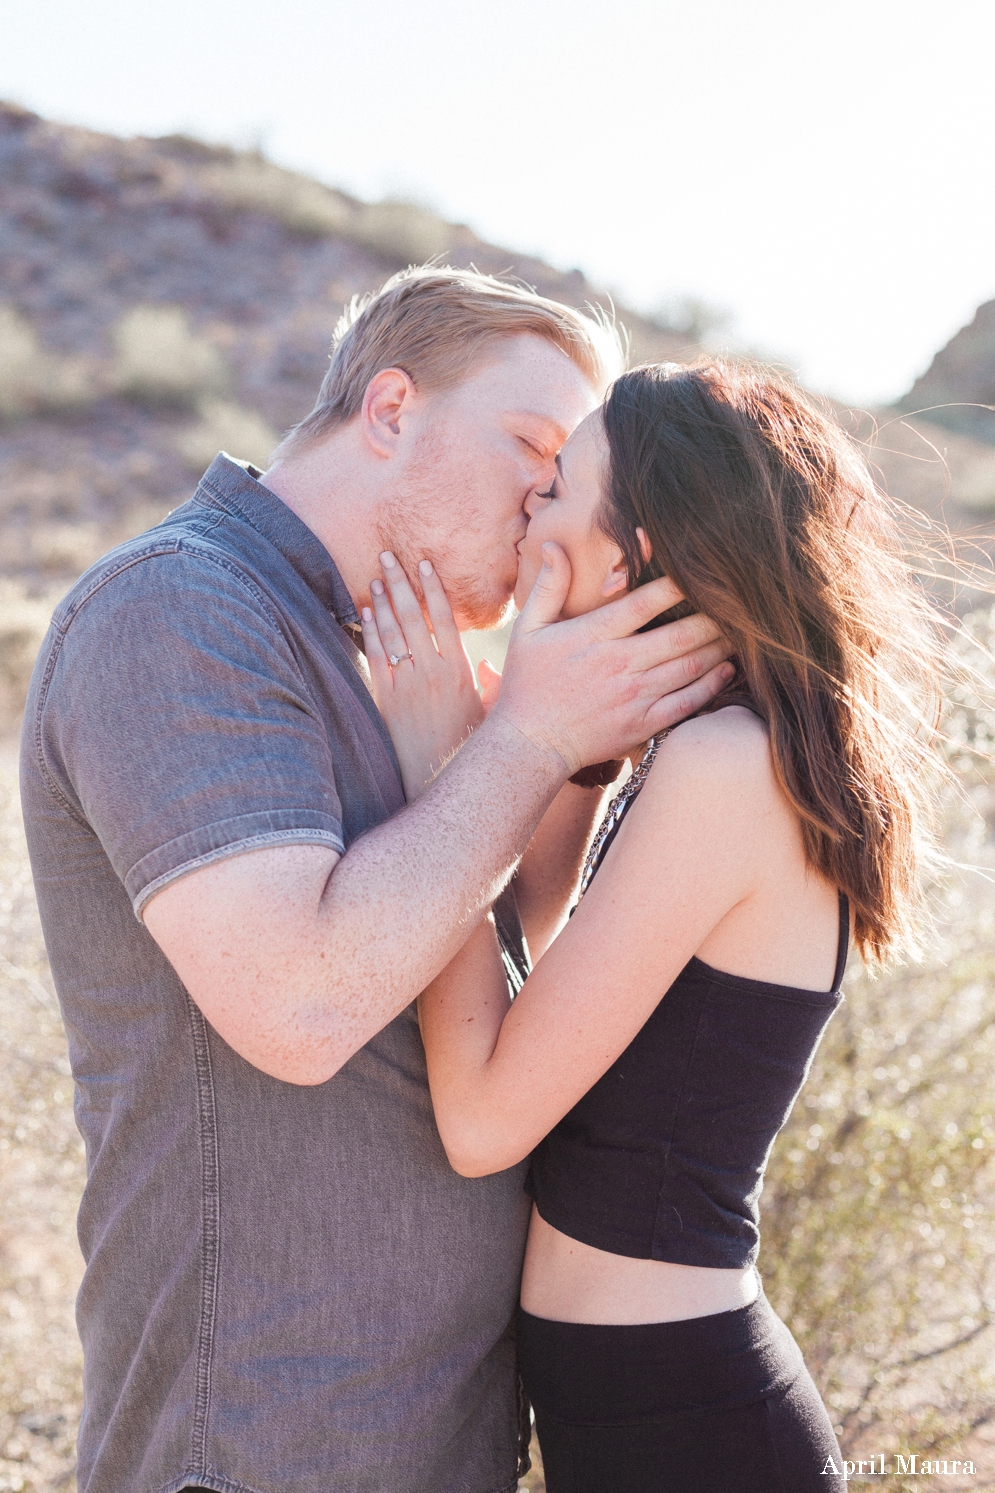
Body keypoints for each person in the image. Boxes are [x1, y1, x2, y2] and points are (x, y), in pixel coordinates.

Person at [20, 268, 733, 1493]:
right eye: (528, 444)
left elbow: (475, 945)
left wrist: (554, 720)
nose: (545, 493)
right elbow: (301, 1006)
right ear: (390, 408)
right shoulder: (179, 610)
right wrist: (526, 741)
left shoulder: (392, 661)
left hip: (432, 1435)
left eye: (566, 471)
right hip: (258, 1442)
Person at [363, 359, 943, 1493]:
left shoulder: (725, 768)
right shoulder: (702, 743)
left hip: (683, 1419)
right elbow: (525, 911)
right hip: (637, 1400)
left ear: (630, 553)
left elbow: (483, 1117)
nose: (528, 503)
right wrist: (544, 717)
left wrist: (449, 770)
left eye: (555, 486)